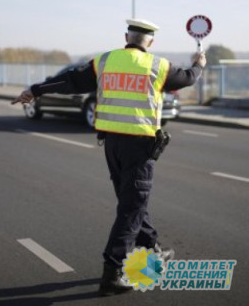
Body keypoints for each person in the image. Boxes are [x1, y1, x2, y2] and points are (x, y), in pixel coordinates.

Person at [12, 18, 206, 296]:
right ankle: (112, 273)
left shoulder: (104, 62)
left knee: (132, 200)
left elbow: (70, 81)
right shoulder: (158, 66)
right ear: (150, 41)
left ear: (127, 36)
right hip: (140, 147)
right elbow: (188, 78)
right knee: (131, 206)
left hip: (112, 144)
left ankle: (151, 249)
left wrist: (35, 90)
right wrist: (200, 63)